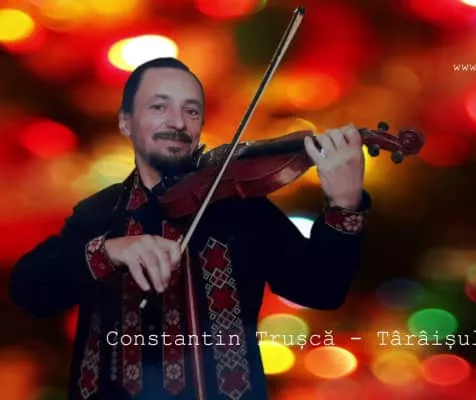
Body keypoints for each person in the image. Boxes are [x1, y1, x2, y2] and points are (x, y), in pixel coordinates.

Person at [8, 57, 370, 400]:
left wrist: (344, 205)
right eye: (159, 107)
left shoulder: (242, 211)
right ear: (125, 122)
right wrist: (108, 251)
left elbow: (321, 290)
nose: (178, 122)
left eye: (191, 111)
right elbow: (29, 291)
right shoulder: (99, 213)